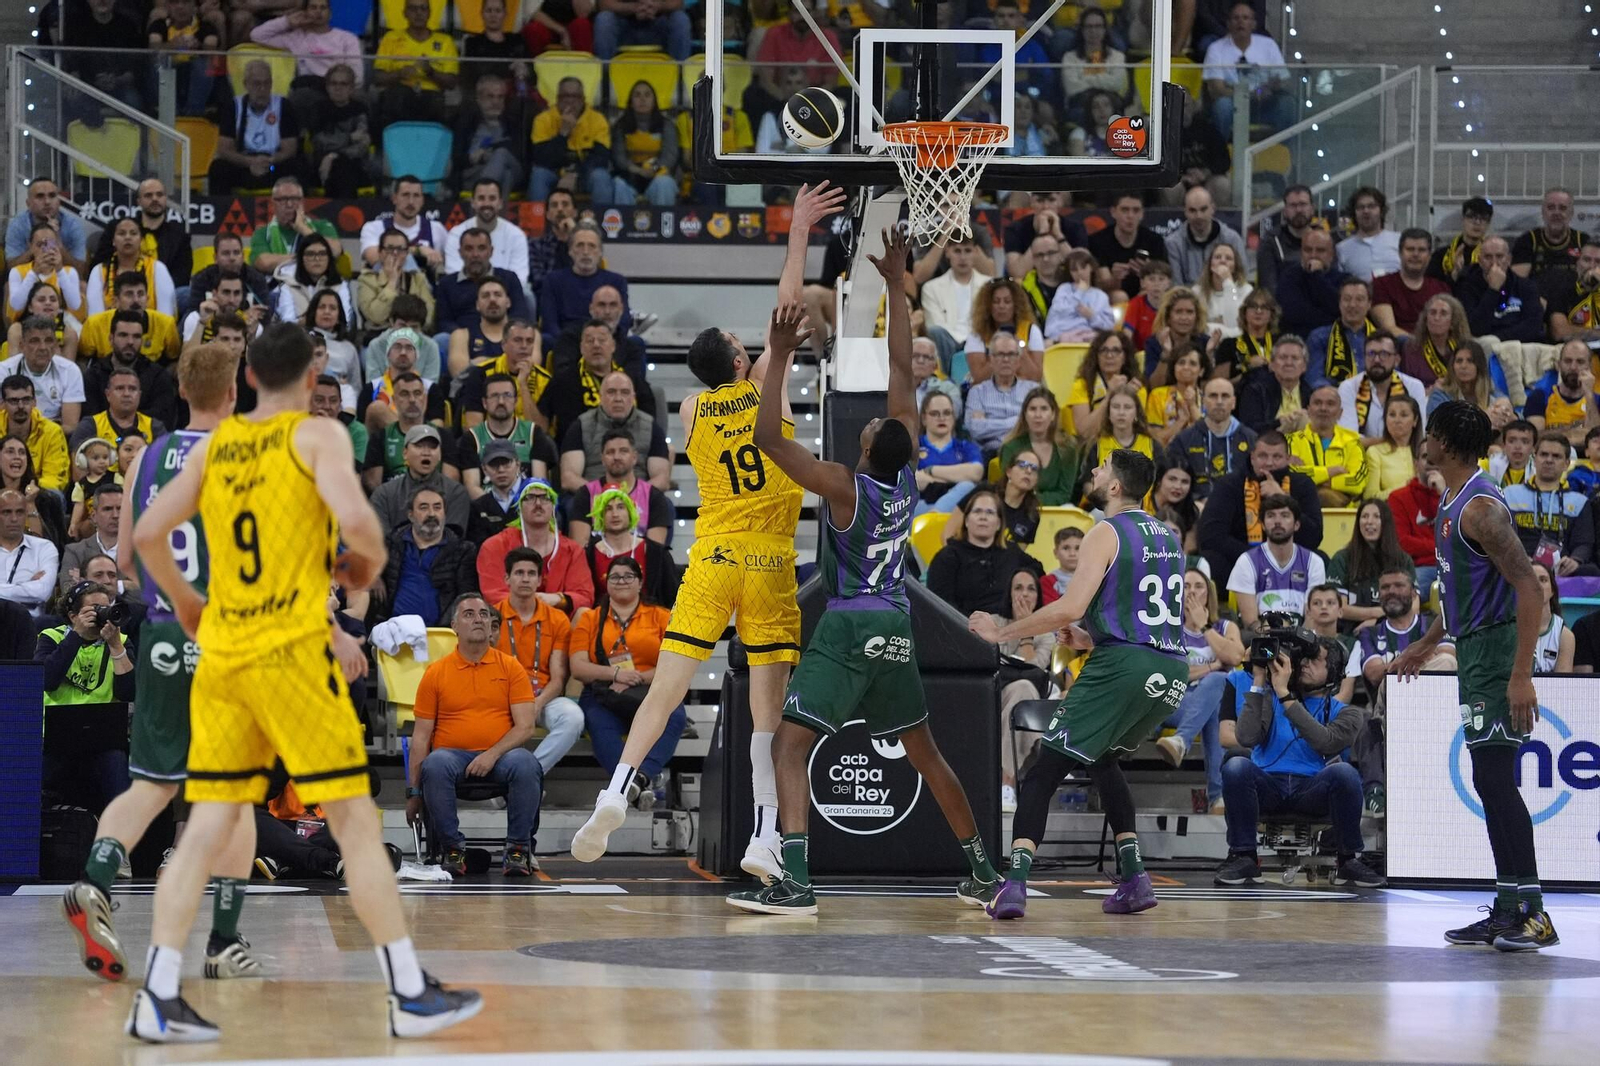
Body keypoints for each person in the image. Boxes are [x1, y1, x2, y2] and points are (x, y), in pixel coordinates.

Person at [127, 323, 481, 1040]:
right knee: (353, 822)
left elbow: (144, 537)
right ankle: (408, 989)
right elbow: (368, 536)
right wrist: (345, 603)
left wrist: (190, 605)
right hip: (288, 654)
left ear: (247, 378)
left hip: (224, 654)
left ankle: (157, 993)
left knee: (204, 827)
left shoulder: (219, 445)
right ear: (311, 372)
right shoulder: (315, 437)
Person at [569, 183, 848, 879]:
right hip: (768, 561)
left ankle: (616, 790)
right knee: (765, 713)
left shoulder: (693, 408)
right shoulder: (770, 392)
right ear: (739, 357)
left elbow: (742, 352)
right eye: (739, 342)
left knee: (665, 688)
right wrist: (798, 233)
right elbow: (786, 306)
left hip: (711, 554)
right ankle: (762, 839)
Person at [728, 272, 1001, 915]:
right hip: (897, 626)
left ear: (866, 446)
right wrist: (899, 290)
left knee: (788, 746)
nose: (880, 414)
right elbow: (904, 369)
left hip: (850, 625)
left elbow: (767, 439)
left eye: (876, 421)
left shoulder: (844, 486)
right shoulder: (905, 478)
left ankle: (796, 882)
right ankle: (983, 869)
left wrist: (778, 353)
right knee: (927, 755)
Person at [58, 343, 263, 986]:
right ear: (234, 393)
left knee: (152, 781)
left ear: (177, 388)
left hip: (164, 637)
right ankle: (224, 942)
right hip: (226, 638)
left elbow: (121, 559)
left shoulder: (144, 455)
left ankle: (94, 882)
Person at [970, 448, 1187, 918]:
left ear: (1114, 487)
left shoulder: (1105, 531)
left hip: (1124, 667)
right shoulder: (1167, 537)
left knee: (1043, 769)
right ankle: (1135, 878)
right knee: (1103, 759)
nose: (1093, 470)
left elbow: (1069, 606)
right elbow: (1151, 614)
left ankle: (1014, 885)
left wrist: (1001, 633)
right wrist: (1091, 637)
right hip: (1170, 670)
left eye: (1102, 466)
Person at [1388, 400, 1558, 951]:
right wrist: (1429, 640)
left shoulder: (1482, 508)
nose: (1423, 441)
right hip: (1474, 649)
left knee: (1496, 779)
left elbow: (1529, 588)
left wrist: (1521, 675)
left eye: (1430, 434)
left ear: (1447, 443)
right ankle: (1508, 907)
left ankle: (1532, 912)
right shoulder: (1453, 499)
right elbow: (1463, 587)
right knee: (1487, 780)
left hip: (1497, 652)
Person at [1213, 636, 1383, 887]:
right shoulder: (1269, 699)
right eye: (1305, 659)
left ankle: (1348, 860)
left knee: (1345, 773)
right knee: (1236, 765)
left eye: (1316, 661)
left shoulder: (1347, 713)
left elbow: (1325, 742)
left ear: (1333, 671)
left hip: (1312, 790)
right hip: (1268, 786)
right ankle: (1244, 856)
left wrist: (1284, 694)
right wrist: (1260, 682)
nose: (1305, 664)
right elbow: (1246, 738)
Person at [408, 592, 541, 877]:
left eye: (483, 614)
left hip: (501, 757)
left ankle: (518, 849)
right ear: (454, 626)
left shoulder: (511, 667)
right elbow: (420, 738)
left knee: (527, 764)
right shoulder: (435, 672)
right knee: (436, 763)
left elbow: (526, 726)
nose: (478, 619)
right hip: (452, 758)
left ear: (492, 625)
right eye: (469, 614)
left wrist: (491, 754)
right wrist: (413, 793)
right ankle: (453, 850)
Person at [567, 553, 680, 809]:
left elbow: (674, 663)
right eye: (614, 577)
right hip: (605, 693)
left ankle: (634, 781)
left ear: (640, 582)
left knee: (674, 716)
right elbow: (578, 667)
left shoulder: (661, 616)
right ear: (606, 584)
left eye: (628, 576)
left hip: (651, 689)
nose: (621, 581)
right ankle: (640, 784)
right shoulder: (590, 618)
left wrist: (635, 678)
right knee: (599, 723)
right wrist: (615, 675)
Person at [36, 580, 135, 811]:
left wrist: (115, 648)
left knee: (119, 779)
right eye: (94, 610)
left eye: (106, 607)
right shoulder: (52, 637)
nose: (103, 615)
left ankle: (120, 842)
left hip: (104, 741)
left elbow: (128, 692)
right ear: (73, 616)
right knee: (29, 783)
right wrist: (77, 636)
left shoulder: (121, 641)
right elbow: (47, 681)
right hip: (53, 739)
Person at [1155, 567, 1244, 814]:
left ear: (1208, 593)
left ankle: (1180, 741)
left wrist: (1205, 626)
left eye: (1198, 586)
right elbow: (1167, 675)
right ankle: (1218, 796)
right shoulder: (1167, 627)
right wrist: (1214, 665)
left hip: (1211, 701)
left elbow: (1236, 657)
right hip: (1174, 700)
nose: (1191, 592)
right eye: (1185, 586)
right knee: (1216, 682)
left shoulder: (1225, 627)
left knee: (1216, 687)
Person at [493, 548, 585, 776]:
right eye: (519, 573)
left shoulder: (557, 619)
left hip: (541, 697)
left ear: (540, 580)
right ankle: (504, 780)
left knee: (573, 717)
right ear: (506, 579)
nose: (525, 578)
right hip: (501, 697)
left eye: (531, 573)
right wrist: (515, 702)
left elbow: (558, 678)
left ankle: (527, 775)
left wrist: (537, 703)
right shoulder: (491, 617)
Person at [375, 487, 478, 626]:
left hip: (442, 634)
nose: (431, 514)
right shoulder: (391, 545)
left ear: (444, 513)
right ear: (410, 515)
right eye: (423, 508)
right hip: (393, 631)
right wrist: (373, 577)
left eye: (437, 507)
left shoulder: (463, 550)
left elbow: (466, 597)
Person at [208, 61, 309, 194]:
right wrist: (250, 162)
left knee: (299, 166)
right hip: (244, 164)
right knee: (219, 168)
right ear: (246, 84)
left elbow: (290, 148)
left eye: (266, 83)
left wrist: (269, 161)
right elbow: (224, 149)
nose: (262, 89)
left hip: (273, 164)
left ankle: (300, 212)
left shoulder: (283, 105)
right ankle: (221, 212)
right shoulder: (234, 106)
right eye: (257, 84)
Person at [1226, 493, 1326, 627]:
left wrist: (1296, 641)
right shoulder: (1247, 561)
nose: (1277, 521)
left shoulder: (1313, 562)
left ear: (1296, 524)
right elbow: (1250, 622)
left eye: (1284, 516)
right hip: (1262, 640)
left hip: (1301, 639)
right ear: (1262, 525)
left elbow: (1312, 618)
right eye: (1271, 515)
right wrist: (1275, 639)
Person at [1202, 1, 1293, 136]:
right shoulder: (1216, 48)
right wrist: (1248, 95)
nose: (1241, 22)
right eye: (1236, 18)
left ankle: (1282, 152)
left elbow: (1284, 80)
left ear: (1253, 23)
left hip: (1263, 105)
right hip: (1233, 104)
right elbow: (1217, 89)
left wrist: (1271, 87)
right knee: (1222, 106)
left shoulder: (1268, 45)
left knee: (1287, 104)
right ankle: (1220, 153)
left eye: (1245, 18)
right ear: (1228, 23)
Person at [368, 425, 471, 539]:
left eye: (432, 447)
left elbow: (454, 540)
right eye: (419, 446)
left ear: (440, 455)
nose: (426, 452)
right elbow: (381, 540)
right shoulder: (384, 495)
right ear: (405, 453)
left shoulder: (456, 493)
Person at [1503, 431, 1588, 564]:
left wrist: (1575, 560)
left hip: (1561, 568)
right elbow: (1500, 536)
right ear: (1534, 459)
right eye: (1544, 454)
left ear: (1566, 464)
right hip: (1517, 566)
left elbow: (1584, 543)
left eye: (1556, 456)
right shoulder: (1509, 494)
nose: (1549, 460)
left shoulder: (1579, 502)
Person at [1327, 499, 1416, 624]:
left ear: (1386, 523)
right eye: (1364, 516)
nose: (1369, 522)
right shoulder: (1342, 559)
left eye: (1376, 516)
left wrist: (1378, 622)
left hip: (1393, 631)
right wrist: (1379, 613)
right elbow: (1338, 607)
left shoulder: (1402, 560)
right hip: (1352, 634)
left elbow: (1415, 607)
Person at [373, 0, 461, 125]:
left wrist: (431, 72)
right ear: (405, 13)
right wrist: (399, 74)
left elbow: (452, 82)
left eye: (423, 8)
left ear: (429, 13)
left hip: (432, 96)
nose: (418, 13)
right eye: (413, 8)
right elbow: (377, 78)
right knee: (395, 97)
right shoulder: (390, 38)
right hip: (399, 94)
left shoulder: (445, 41)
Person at [528, 77, 614, 203]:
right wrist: (563, 133)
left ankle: (601, 221)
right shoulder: (543, 119)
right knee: (539, 175)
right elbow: (541, 159)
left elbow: (601, 158)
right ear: (557, 99)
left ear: (583, 99)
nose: (570, 101)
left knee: (601, 177)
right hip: (553, 174)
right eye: (565, 96)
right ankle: (536, 222)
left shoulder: (597, 120)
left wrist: (575, 174)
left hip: (584, 174)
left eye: (575, 96)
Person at [1171, 376, 1256, 501]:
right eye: (1213, 396)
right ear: (1203, 401)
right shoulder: (1184, 439)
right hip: (1197, 509)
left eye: (1225, 396)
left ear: (1234, 403)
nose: (1219, 401)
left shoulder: (1251, 439)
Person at [1337, 330, 1427, 444]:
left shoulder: (1414, 386)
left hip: (1405, 456)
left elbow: (1419, 434)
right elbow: (1349, 439)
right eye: (1371, 354)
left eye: (1384, 354)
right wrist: (1391, 443)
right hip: (1361, 457)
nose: (1376, 360)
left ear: (1397, 360)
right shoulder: (1348, 387)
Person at [1288, 385, 1369, 506]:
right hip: (1302, 511)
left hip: (1344, 514)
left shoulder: (1352, 442)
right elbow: (1291, 476)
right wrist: (1332, 471)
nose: (1323, 408)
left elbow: (1358, 482)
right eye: (1317, 403)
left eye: (1330, 404)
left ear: (1340, 413)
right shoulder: (1291, 441)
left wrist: (1319, 479)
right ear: (1308, 410)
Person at [1455, 236, 1544, 344]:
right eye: (1488, 257)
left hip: (1519, 346)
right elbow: (1475, 328)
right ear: (1479, 261)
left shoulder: (1526, 286)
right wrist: (1493, 290)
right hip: (1483, 347)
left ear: (1509, 260)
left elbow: (1533, 326)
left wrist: (1497, 338)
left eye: (1499, 256)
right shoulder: (1467, 287)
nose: (1494, 262)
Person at [999, 387, 1079, 506]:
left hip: (1055, 510)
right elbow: (1010, 488)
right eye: (1032, 409)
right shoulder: (1011, 447)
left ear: (1053, 415)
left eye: (1044, 409)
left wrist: (1035, 500)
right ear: (1025, 415)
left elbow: (1064, 493)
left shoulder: (1068, 448)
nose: (1038, 415)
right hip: (1018, 507)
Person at [87, 219, 176, 321]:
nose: (128, 237)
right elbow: (95, 319)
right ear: (113, 241)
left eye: (133, 233)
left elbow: (166, 317)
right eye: (122, 233)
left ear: (141, 240)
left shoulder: (158, 269)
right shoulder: (99, 271)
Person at [1086, 193, 1169, 302]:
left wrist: (1147, 272)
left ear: (1142, 214)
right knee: (1119, 296)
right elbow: (1100, 285)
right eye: (1125, 210)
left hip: (1144, 292)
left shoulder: (1154, 240)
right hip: (1113, 296)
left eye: (1136, 210)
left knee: (1148, 295)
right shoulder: (1098, 240)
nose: (1130, 216)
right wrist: (1115, 278)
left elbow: (1165, 282)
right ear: (1113, 212)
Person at [1511, 187, 1592, 299]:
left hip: (1574, 304)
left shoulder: (1583, 241)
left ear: (1571, 213)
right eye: (1551, 207)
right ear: (1543, 212)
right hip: (1537, 304)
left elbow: (1593, 277)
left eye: (1562, 208)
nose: (1556, 213)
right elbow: (1518, 283)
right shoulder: (1528, 240)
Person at [248, 178, 339, 276]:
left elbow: (334, 251)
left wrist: (303, 228)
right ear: (273, 203)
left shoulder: (322, 225)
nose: (289, 204)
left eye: (294, 199)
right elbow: (264, 263)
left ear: (302, 202)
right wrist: (308, 258)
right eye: (283, 199)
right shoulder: (262, 232)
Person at [359, 176, 448, 275]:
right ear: (394, 198)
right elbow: (375, 259)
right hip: (386, 288)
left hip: (426, 289)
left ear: (422, 200)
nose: (411, 201)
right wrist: (418, 250)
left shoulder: (436, 229)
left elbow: (452, 264)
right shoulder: (374, 228)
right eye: (405, 195)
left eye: (416, 196)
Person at [358, 229, 438, 337]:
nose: (395, 253)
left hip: (414, 334)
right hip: (379, 337)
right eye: (390, 249)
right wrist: (392, 282)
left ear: (407, 253)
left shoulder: (418, 279)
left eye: (400, 249)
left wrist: (406, 325)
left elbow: (428, 317)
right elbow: (375, 316)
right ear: (380, 253)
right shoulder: (367, 279)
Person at [915, 391, 984, 515]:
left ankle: (934, 518)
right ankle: (934, 518)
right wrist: (954, 480)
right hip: (920, 506)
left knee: (967, 486)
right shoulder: (914, 447)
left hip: (956, 512)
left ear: (954, 417)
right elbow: (914, 480)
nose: (942, 418)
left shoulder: (965, 447)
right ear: (924, 418)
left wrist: (930, 471)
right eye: (935, 414)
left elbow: (976, 472)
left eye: (947, 413)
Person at [1165, 185, 1248, 288]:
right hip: (1188, 301)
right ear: (1185, 212)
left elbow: (1242, 280)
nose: (1199, 216)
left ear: (1213, 208)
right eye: (1192, 210)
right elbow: (1176, 287)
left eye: (1203, 209)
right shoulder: (1173, 243)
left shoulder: (1232, 239)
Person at [1376, 227, 1452, 339]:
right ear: (1400, 253)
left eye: (1421, 250)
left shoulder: (1441, 288)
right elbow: (1389, 328)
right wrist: (1419, 346)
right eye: (1410, 249)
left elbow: (1448, 327)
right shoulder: (1382, 284)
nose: (1415, 254)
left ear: (1429, 255)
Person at [1069, 329, 1144, 442]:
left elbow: (1140, 431)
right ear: (1096, 356)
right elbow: (1084, 432)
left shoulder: (1136, 387)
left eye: (1116, 350)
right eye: (1104, 350)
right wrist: (1110, 395)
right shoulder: (1082, 385)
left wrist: (1128, 399)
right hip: (1092, 448)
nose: (1109, 355)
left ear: (1125, 357)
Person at [1524, 339, 1600, 445]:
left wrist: (1589, 395)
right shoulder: (1539, 396)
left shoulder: (1597, 401)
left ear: (1590, 366)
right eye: (1568, 361)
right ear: (1558, 365)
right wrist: (1579, 434)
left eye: (1580, 362)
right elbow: (1535, 439)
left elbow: (1596, 441)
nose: (1573, 367)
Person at [5, 178, 88, 274]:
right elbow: (11, 268)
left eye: (52, 196)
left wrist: (58, 244)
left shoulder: (73, 225)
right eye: (40, 196)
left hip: (61, 275)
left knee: (82, 286)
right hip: (29, 274)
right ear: (28, 203)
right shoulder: (18, 224)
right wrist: (34, 248)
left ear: (59, 201)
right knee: (8, 287)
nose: (47, 202)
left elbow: (80, 271)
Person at [2, 374, 69, 493]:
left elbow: (55, 478)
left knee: (54, 495)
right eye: (14, 401)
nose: (21, 406)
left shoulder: (52, 431)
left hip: (38, 491)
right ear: (3, 404)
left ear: (34, 402)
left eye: (26, 400)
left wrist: (27, 489)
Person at [1276, 227, 1346, 339]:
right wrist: (1328, 315)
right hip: (1296, 342)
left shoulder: (1343, 280)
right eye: (1308, 250)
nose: (1313, 255)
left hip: (1334, 342)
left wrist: (1316, 275)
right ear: (1301, 252)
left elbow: (1342, 311)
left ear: (1331, 254)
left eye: (1320, 250)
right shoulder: (1289, 276)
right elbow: (1294, 315)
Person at [1237, 335, 1315, 436]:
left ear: (1304, 366)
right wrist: (1279, 422)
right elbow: (1248, 430)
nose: (1289, 363)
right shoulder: (1255, 390)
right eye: (1283, 357)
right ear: (1272, 365)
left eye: (1295, 358)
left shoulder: (1312, 394)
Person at [7, 222, 84, 322]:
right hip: (27, 323)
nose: (45, 250)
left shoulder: (69, 272)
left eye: (50, 244)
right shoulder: (17, 271)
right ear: (31, 246)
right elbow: (16, 306)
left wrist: (60, 270)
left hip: (61, 323)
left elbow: (75, 305)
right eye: (39, 245)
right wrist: (34, 273)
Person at [1305, 278, 1375, 388]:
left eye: (1359, 299)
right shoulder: (1319, 337)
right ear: (1339, 303)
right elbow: (1314, 379)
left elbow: (1391, 376)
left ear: (1369, 304)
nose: (1352, 305)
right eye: (1347, 299)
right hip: (1334, 399)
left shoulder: (1382, 339)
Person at [0, 487, 60, 615]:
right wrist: (27, 586)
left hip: (31, 624)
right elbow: (35, 591)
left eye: (20, 512)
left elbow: (43, 592)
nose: (14, 519)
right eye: (6, 512)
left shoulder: (44, 548)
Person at [1400, 293, 1474, 391]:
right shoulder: (1412, 348)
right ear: (1426, 320)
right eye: (1433, 313)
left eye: (1443, 313)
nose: (1437, 318)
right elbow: (1407, 389)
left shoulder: (1463, 347)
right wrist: (1429, 391)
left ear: (1452, 322)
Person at [1142, 286, 1216, 385]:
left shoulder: (1205, 342)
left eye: (1189, 312)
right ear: (1168, 317)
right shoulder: (1154, 343)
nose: (1184, 317)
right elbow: (1154, 385)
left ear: (1196, 317)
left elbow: (1212, 386)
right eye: (1178, 312)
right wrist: (1165, 354)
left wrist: (1209, 356)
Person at [275, 235, 353, 325]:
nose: (317, 259)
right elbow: (287, 323)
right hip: (298, 336)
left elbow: (346, 322)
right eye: (310, 254)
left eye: (322, 254)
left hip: (332, 336)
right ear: (301, 259)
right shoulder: (287, 285)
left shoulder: (340, 285)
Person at [1044, 250, 1115, 343]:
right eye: (1074, 270)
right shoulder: (1064, 289)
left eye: (1083, 268)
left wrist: (1092, 316)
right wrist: (1079, 293)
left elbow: (1108, 325)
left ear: (1091, 267)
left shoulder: (1101, 296)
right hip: (1064, 336)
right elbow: (1059, 311)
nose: (1080, 273)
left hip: (1090, 337)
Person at [1146, 343, 1208, 450]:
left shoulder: (1209, 398)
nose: (1186, 367)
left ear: (1201, 371)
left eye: (1192, 364)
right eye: (1181, 363)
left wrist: (1193, 407)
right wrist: (1181, 421)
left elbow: (1211, 437)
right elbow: (1155, 440)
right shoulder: (1158, 395)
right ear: (1174, 368)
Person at [1256, 184, 1314, 297]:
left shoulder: (1324, 241)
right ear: (1284, 211)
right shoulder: (1270, 241)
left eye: (1303, 204)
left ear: (1312, 209)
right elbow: (1268, 288)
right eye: (1293, 205)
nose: (1298, 210)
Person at [5, 280, 81, 366]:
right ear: (30, 307)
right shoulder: (17, 330)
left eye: (53, 300)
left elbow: (69, 371)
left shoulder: (69, 334)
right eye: (41, 300)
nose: (48, 303)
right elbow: (13, 366)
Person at [1335, 187, 1401, 282]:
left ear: (1381, 211)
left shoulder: (1399, 240)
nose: (1366, 211)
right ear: (1354, 213)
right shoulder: (1342, 249)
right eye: (1360, 207)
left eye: (1371, 206)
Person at [1364, 395, 1422, 501]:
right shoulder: (1375, 452)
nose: (1397, 420)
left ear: (1415, 420)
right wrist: (1407, 486)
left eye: (1404, 415)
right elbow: (1370, 497)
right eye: (1392, 415)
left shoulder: (1425, 452)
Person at [1428, 199, 1493, 285]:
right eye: (1472, 216)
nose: (1477, 222)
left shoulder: (1492, 256)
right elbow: (1432, 287)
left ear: (1488, 224)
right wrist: (1454, 273)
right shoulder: (1441, 255)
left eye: (1483, 218)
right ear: (1463, 219)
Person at [1528, 561, 1575, 673]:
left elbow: (1561, 685)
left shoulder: (1564, 636)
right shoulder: (1509, 630)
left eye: (1543, 580)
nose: (1537, 585)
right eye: (1531, 580)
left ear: (1552, 590)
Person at [1197, 243, 1251, 339]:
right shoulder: (1197, 291)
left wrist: (1228, 282)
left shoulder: (1246, 290)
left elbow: (1234, 324)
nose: (1222, 261)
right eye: (1217, 257)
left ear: (1234, 267)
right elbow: (1197, 328)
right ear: (1210, 265)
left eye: (1228, 258)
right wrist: (1223, 327)